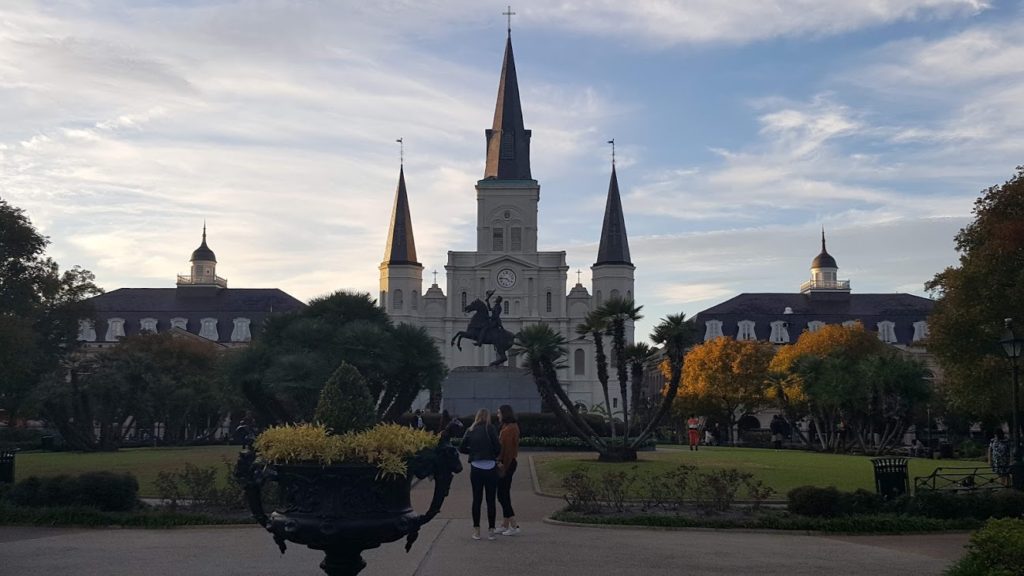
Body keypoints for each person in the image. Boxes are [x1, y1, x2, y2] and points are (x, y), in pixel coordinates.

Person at [460, 408, 501, 540]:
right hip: (490, 466)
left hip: (476, 467)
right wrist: (492, 455)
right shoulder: (491, 429)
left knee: (477, 499)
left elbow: (461, 447)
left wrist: (472, 453)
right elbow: (498, 447)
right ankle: (491, 529)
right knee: (491, 500)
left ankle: (476, 530)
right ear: (488, 417)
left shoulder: (470, 430)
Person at [496, 404, 521, 536]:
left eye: (499, 413)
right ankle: (505, 524)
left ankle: (514, 524)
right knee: (503, 493)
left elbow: (507, 451)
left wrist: (501, 464)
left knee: (502, 495)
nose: (497, 415)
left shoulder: (508, 430)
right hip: (509, 463)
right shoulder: (510, 427)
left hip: (507, 464)